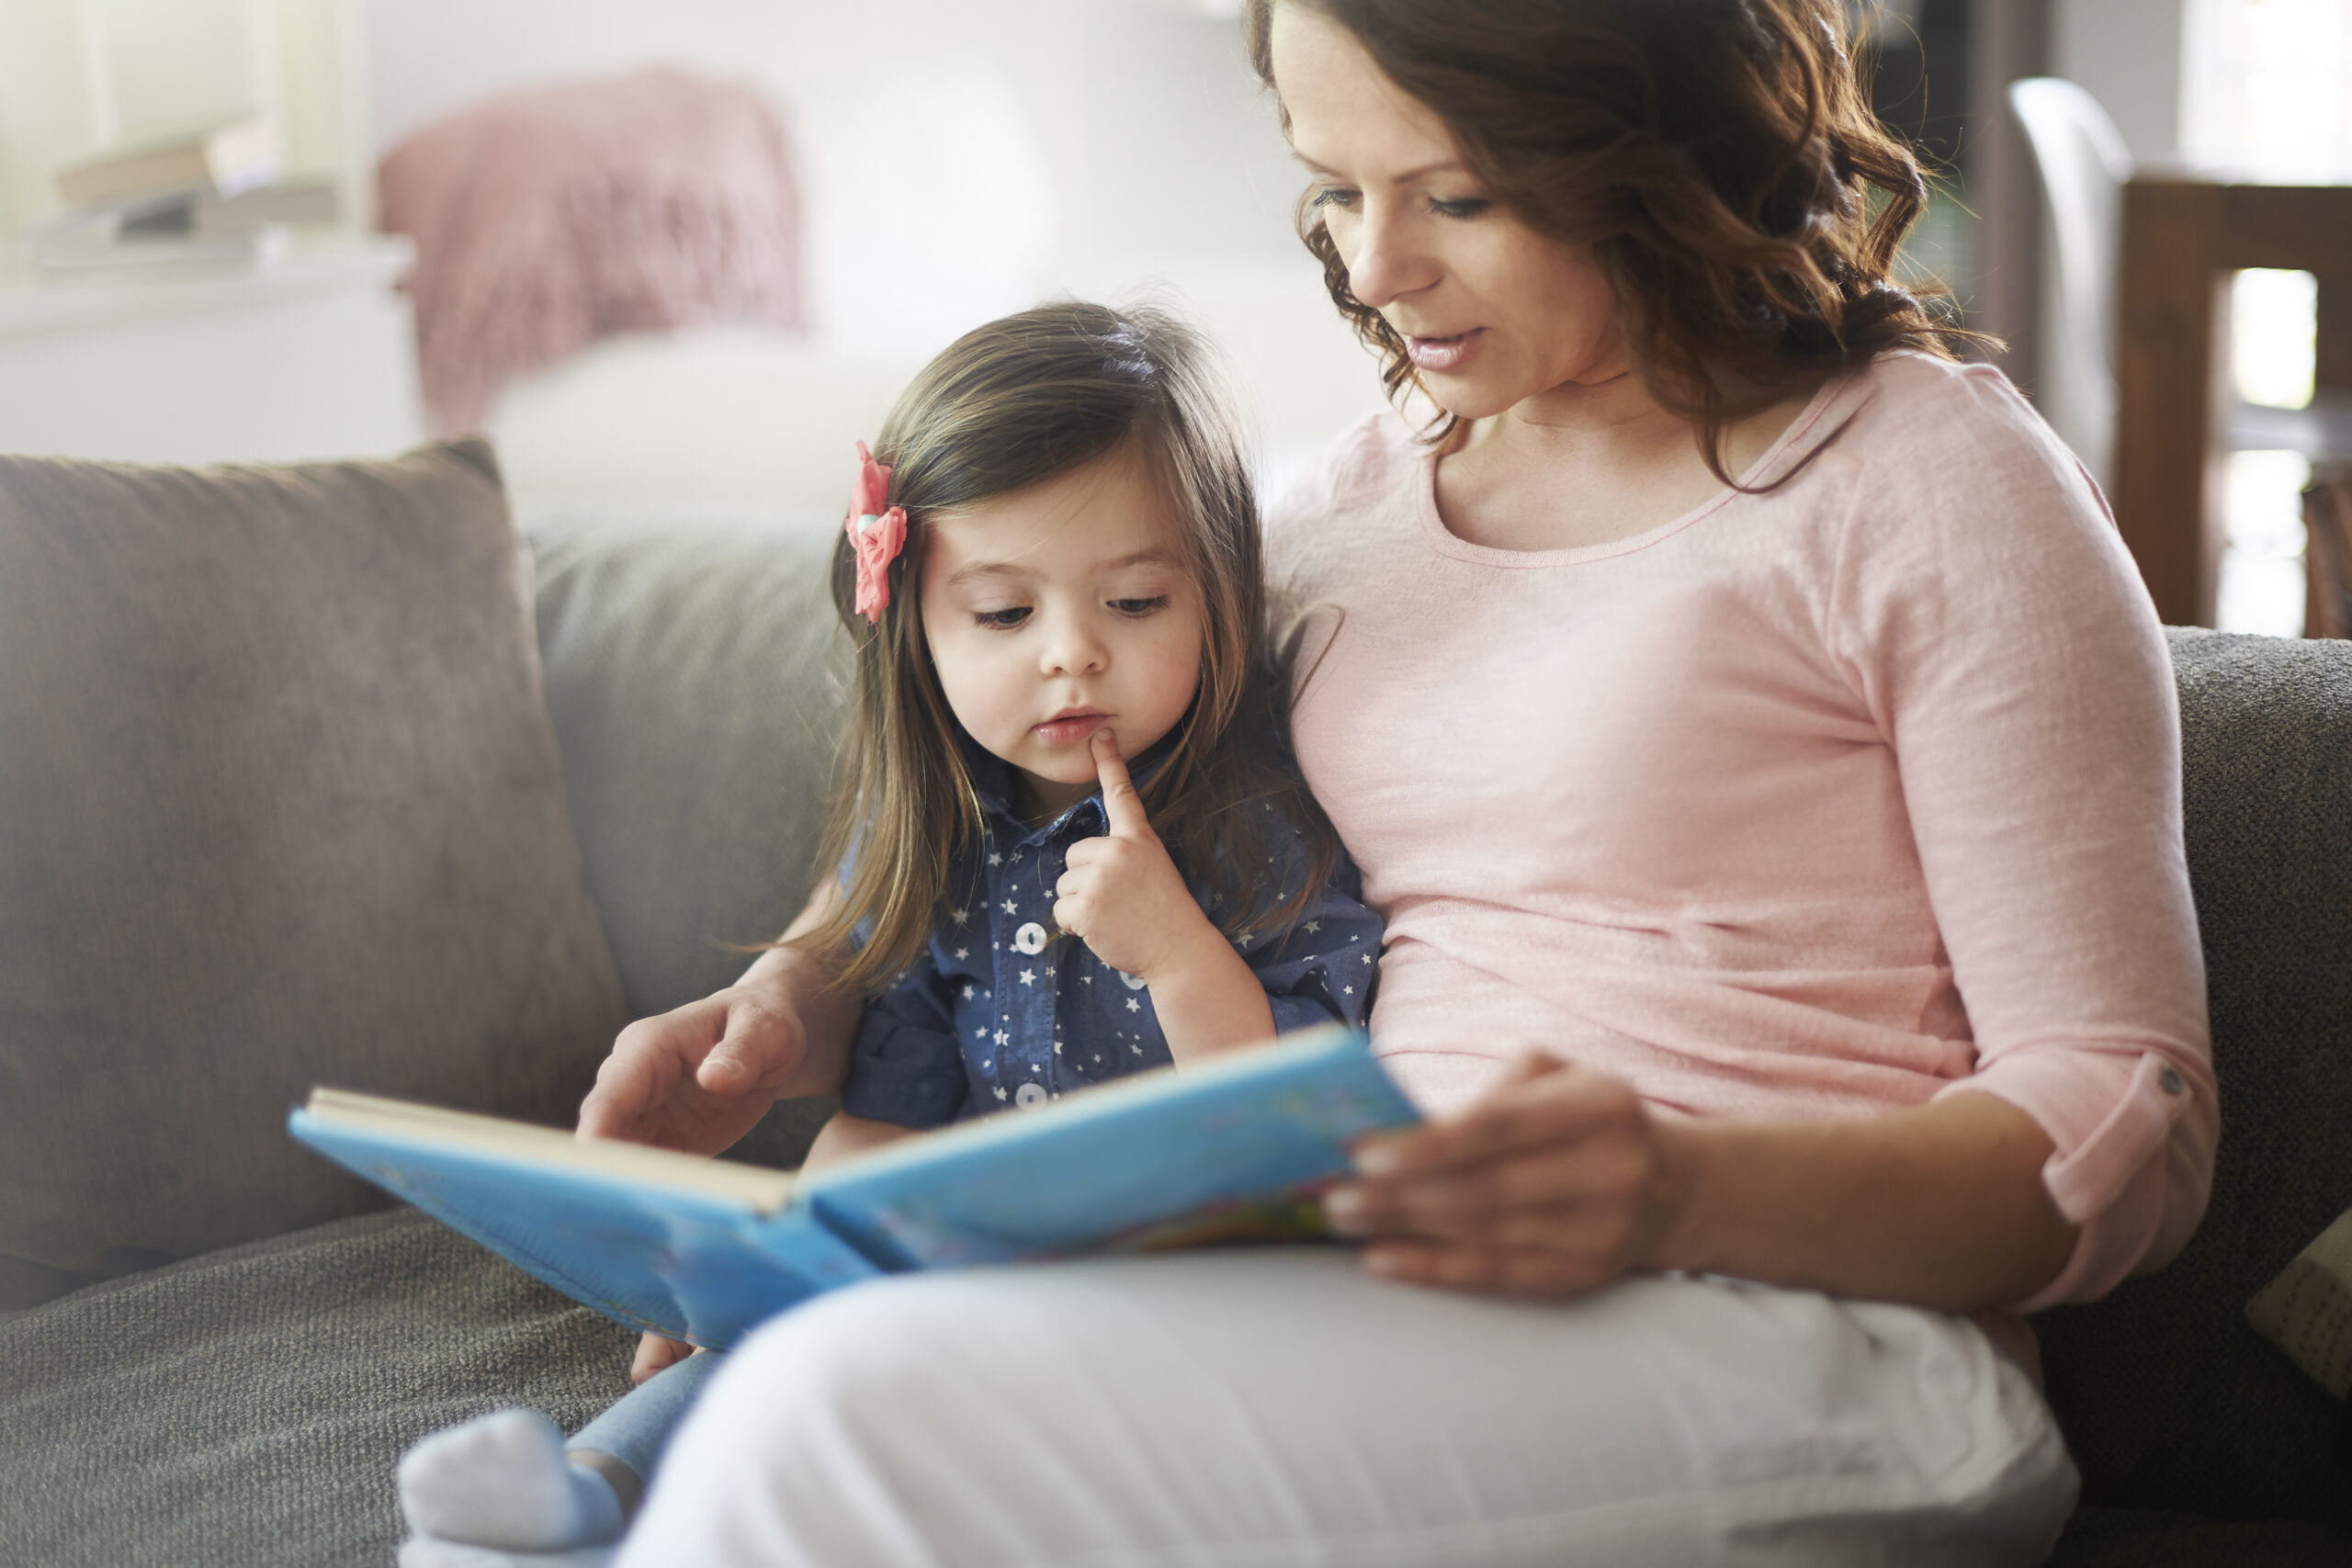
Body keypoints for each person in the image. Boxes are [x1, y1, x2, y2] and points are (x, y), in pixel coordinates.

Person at [583, 3, 2219, 1564]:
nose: (1374, 265)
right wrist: (802, 990)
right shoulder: (1341, 509)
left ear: (1664, 140)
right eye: (1334, 187)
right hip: (1356, 1272)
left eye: (1457, 192)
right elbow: (1028, 791)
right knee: (822, 1368)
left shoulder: (1929, 483)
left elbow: (2130, 1120)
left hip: (1813, 1345)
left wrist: (1669, 1188)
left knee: (845, 1421)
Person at [392, 300, 1382, 1568]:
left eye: (1135, 602)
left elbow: (1301, 1129)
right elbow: (888, 1105)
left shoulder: (1264, 834)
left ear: (1218, 602)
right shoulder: (944, 837)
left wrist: (1180, 953)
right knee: (754, 1357)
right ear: (913, 625)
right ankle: (582, 1489)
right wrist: (779, 1265)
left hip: (1171, 1301)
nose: (1074, 657)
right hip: (955, 1277)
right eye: (1004, 615)